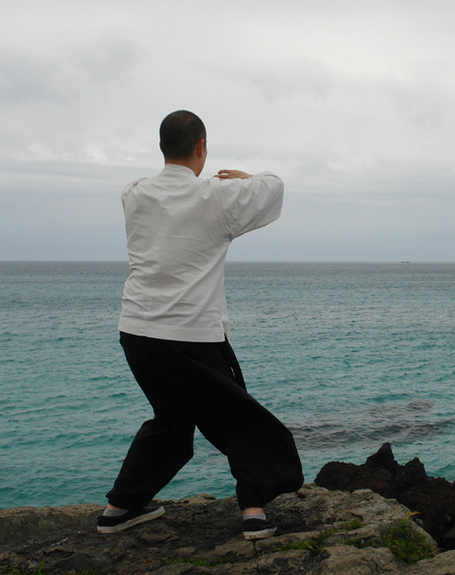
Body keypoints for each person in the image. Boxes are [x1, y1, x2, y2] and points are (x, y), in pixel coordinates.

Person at [98, 110, 303, 540]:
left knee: (172, 423)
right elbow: (274, 187)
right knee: (244, 421)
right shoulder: (215, 199)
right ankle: (253, 512)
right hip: (189, 335)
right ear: (202, 147)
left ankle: (121, 507)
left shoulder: (133, 193)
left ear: (161, 148)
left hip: (136, 332)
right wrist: (245, 179)